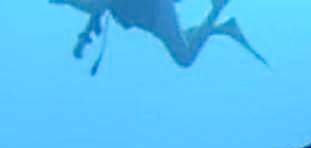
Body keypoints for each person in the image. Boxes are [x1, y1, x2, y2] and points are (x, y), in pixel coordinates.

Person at [52, 0, 267, 71]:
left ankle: (217, 10)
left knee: (184, 57)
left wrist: (83, 39)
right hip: (148, 19)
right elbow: (98, 11)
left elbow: (99, 6)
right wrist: (83, 39)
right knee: (182, 41)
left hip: (156, 12)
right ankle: (221, 28)